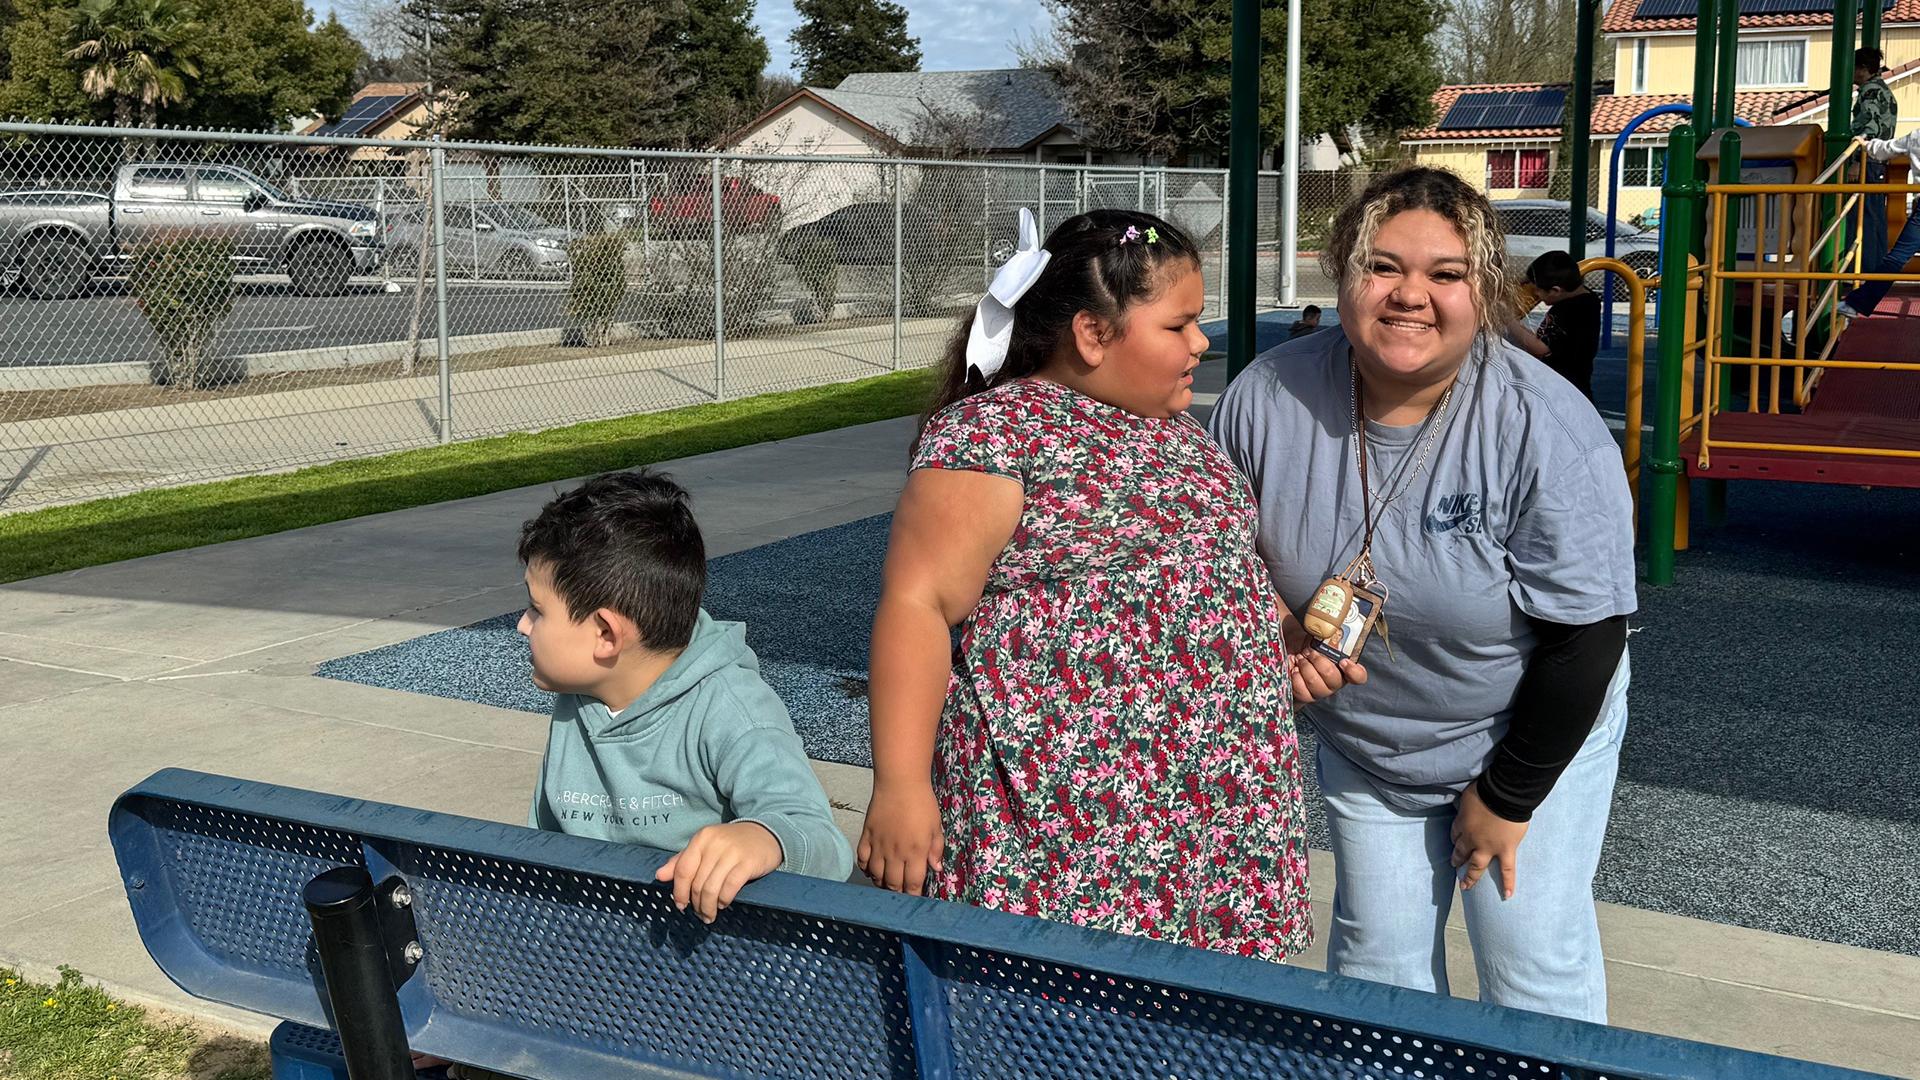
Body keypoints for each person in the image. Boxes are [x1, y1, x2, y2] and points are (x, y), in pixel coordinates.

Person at [1208, 166, 1636, 1023]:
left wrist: (1507, 798)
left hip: (1524, 725)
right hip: (1370, 741)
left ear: (1484, 292)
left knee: (1529, 961)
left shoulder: (1542, 425)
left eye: (1445, 274)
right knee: (1377, 967)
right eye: (1383, 267)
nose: (1411, 296)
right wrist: (1280, 626)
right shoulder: (1267, 395)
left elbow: (1588, 640)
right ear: (1341, 273)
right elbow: (1211, 555)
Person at [859, 207, 1314, 961]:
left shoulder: (1176, 431)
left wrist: (1284, 638)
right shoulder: (998, 434)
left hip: (1210, 815)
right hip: (1073, 820)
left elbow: (1212, 566)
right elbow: (918, 604)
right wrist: (900, 786)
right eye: (1180, 325)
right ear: (1092, 333)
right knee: (1061, 1026)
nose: (1201, 342)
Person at [515, 469, 854, 911]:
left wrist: (763, 837)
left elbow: (823, 843)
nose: (523, 625)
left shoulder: (731, 708)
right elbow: (538, 847)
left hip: (710, 961)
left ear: (605, 635)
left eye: (537, 611)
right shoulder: (577, 697)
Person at [1839, 118, 1920, 320]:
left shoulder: (1916, 136)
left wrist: (1865, 144)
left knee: (1897, 257)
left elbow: (1885, 149)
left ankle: (1856, 303)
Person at [1506, 251, 1601, 400]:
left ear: (1556, 290)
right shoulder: (1585, 297)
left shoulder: (1575, 310)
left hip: (1565, 388)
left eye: (1537, 290)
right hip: (1565, 384)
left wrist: (1508, 321)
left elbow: (1541, 348)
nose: (1534, 293)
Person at [1853, 48, 1898, 274]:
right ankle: (1878, 268)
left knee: (1864, 217)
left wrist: (1857, 156)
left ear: (1862, 70)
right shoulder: (1884, 90)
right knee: (1876, 215)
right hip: (1880, 160)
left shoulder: (1869, 92)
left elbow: (1869, 126)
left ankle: (1866, 269)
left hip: (1867, 159)